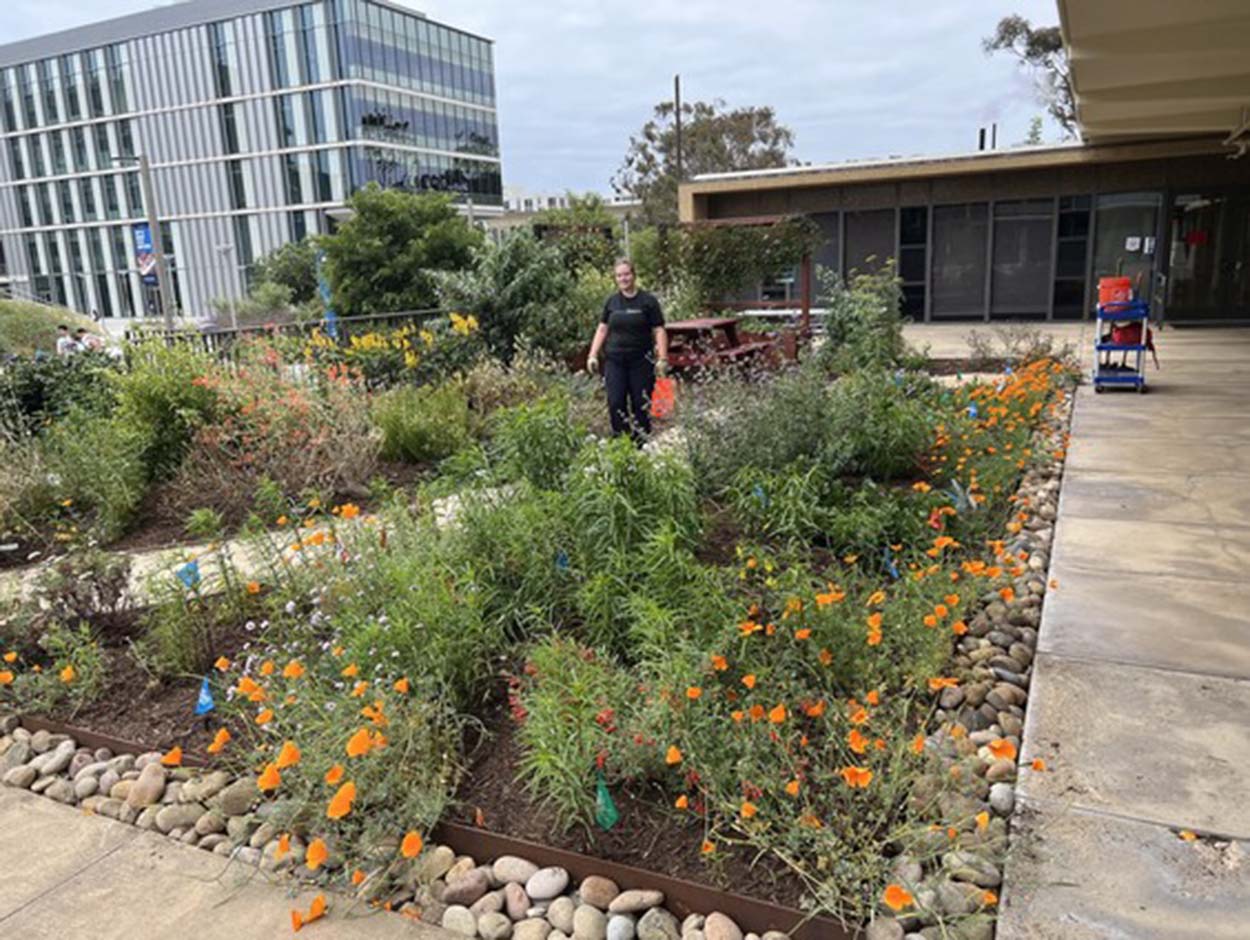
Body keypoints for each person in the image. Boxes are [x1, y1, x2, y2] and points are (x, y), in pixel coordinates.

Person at [586, 258, 668, 443]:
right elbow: (602, 328)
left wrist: (663, 358)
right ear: (616, 278)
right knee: (615, 401)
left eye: (626, 274)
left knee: (641, 403)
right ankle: (621, 442)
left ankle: (642, 442)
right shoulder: (612, 302)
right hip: (615, 361)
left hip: (641, 360)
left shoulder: (648, 301)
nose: (623, 278)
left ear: (634, 275)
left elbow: (659, 329)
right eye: (619, 275)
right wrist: (592, 355)